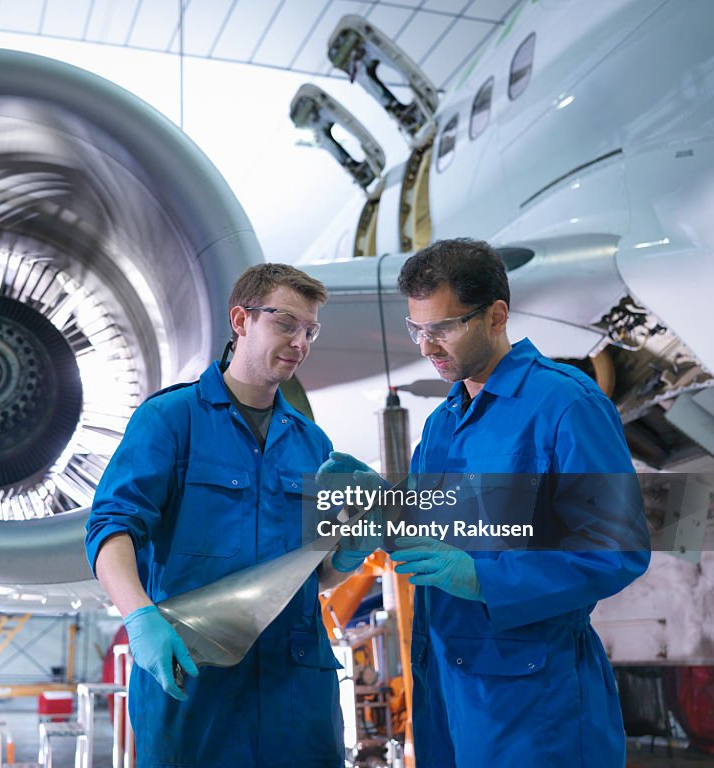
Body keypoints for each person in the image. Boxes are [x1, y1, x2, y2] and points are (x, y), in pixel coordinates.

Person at [322, 238, 650, 767]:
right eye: (417, 329)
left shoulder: (566, 405)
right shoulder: (442, 424)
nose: (428, 346)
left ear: (496, 315)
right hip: (447, 694)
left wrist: (482, 579)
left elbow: (615, 552)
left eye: (444, 327)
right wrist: (379, 506)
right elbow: (429, 531)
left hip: (537, 706)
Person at [85, 263, 355, 767]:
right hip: (195, 679)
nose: (301, 342)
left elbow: (313, 578)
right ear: (241, 320)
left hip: (296, 687)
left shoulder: (312, 442)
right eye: (286, 324)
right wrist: (139, 617)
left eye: (310, 330)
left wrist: (348, 554)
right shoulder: (171, 419)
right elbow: (110, 527)